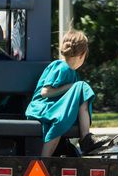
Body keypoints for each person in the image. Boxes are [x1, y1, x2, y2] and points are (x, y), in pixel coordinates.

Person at [25, 29, 99, 157]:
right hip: (43, 107)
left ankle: (85, 138)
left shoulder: (72, 73)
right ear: (82, 54)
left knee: (78, 92)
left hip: (56, 108)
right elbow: (45, 92)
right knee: (82, 87)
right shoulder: (61, 66)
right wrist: (70, 87)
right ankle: (85, 138)